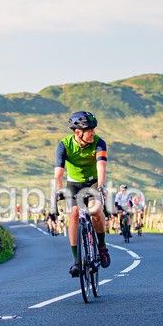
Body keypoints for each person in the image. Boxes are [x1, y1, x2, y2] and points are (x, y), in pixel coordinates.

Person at [53, 111, 111, 277]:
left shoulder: (99, 143)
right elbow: (58, 172)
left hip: (93, 182)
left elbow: (101, 166)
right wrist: (58, 190)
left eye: (94, 129)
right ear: (78, 133)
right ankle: (77, 261)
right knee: (74, 215)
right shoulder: (64, 145)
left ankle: (101, 247)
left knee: (95, 211)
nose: (93, 132)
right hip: (74, 184)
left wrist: (102, 186)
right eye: (89, 130)